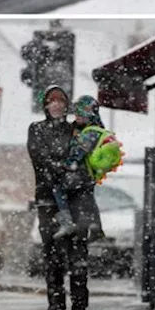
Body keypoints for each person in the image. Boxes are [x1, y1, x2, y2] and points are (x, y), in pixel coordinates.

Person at [27, 86, 102, 310]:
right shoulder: (36, 129)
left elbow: (95, 141)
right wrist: (65, 170)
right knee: (54, 265)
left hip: (76, 201)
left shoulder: (76, 129)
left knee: (79, 264)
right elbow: (40, 160)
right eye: (52, 101)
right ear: (45, 105)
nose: (57, 105)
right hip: (49, 203)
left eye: (61, 100)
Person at [52, 96, 121, 240]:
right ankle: (96, 228)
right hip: (88, 174)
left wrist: (64, 164)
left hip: (80, 173)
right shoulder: (95, 129)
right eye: (76, 111)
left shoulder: (89, 132)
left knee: (57, 187)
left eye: (81, 111)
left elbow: (78, 152)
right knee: (87, 196)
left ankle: (67, 223)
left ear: (90, 113)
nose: (77, 115)